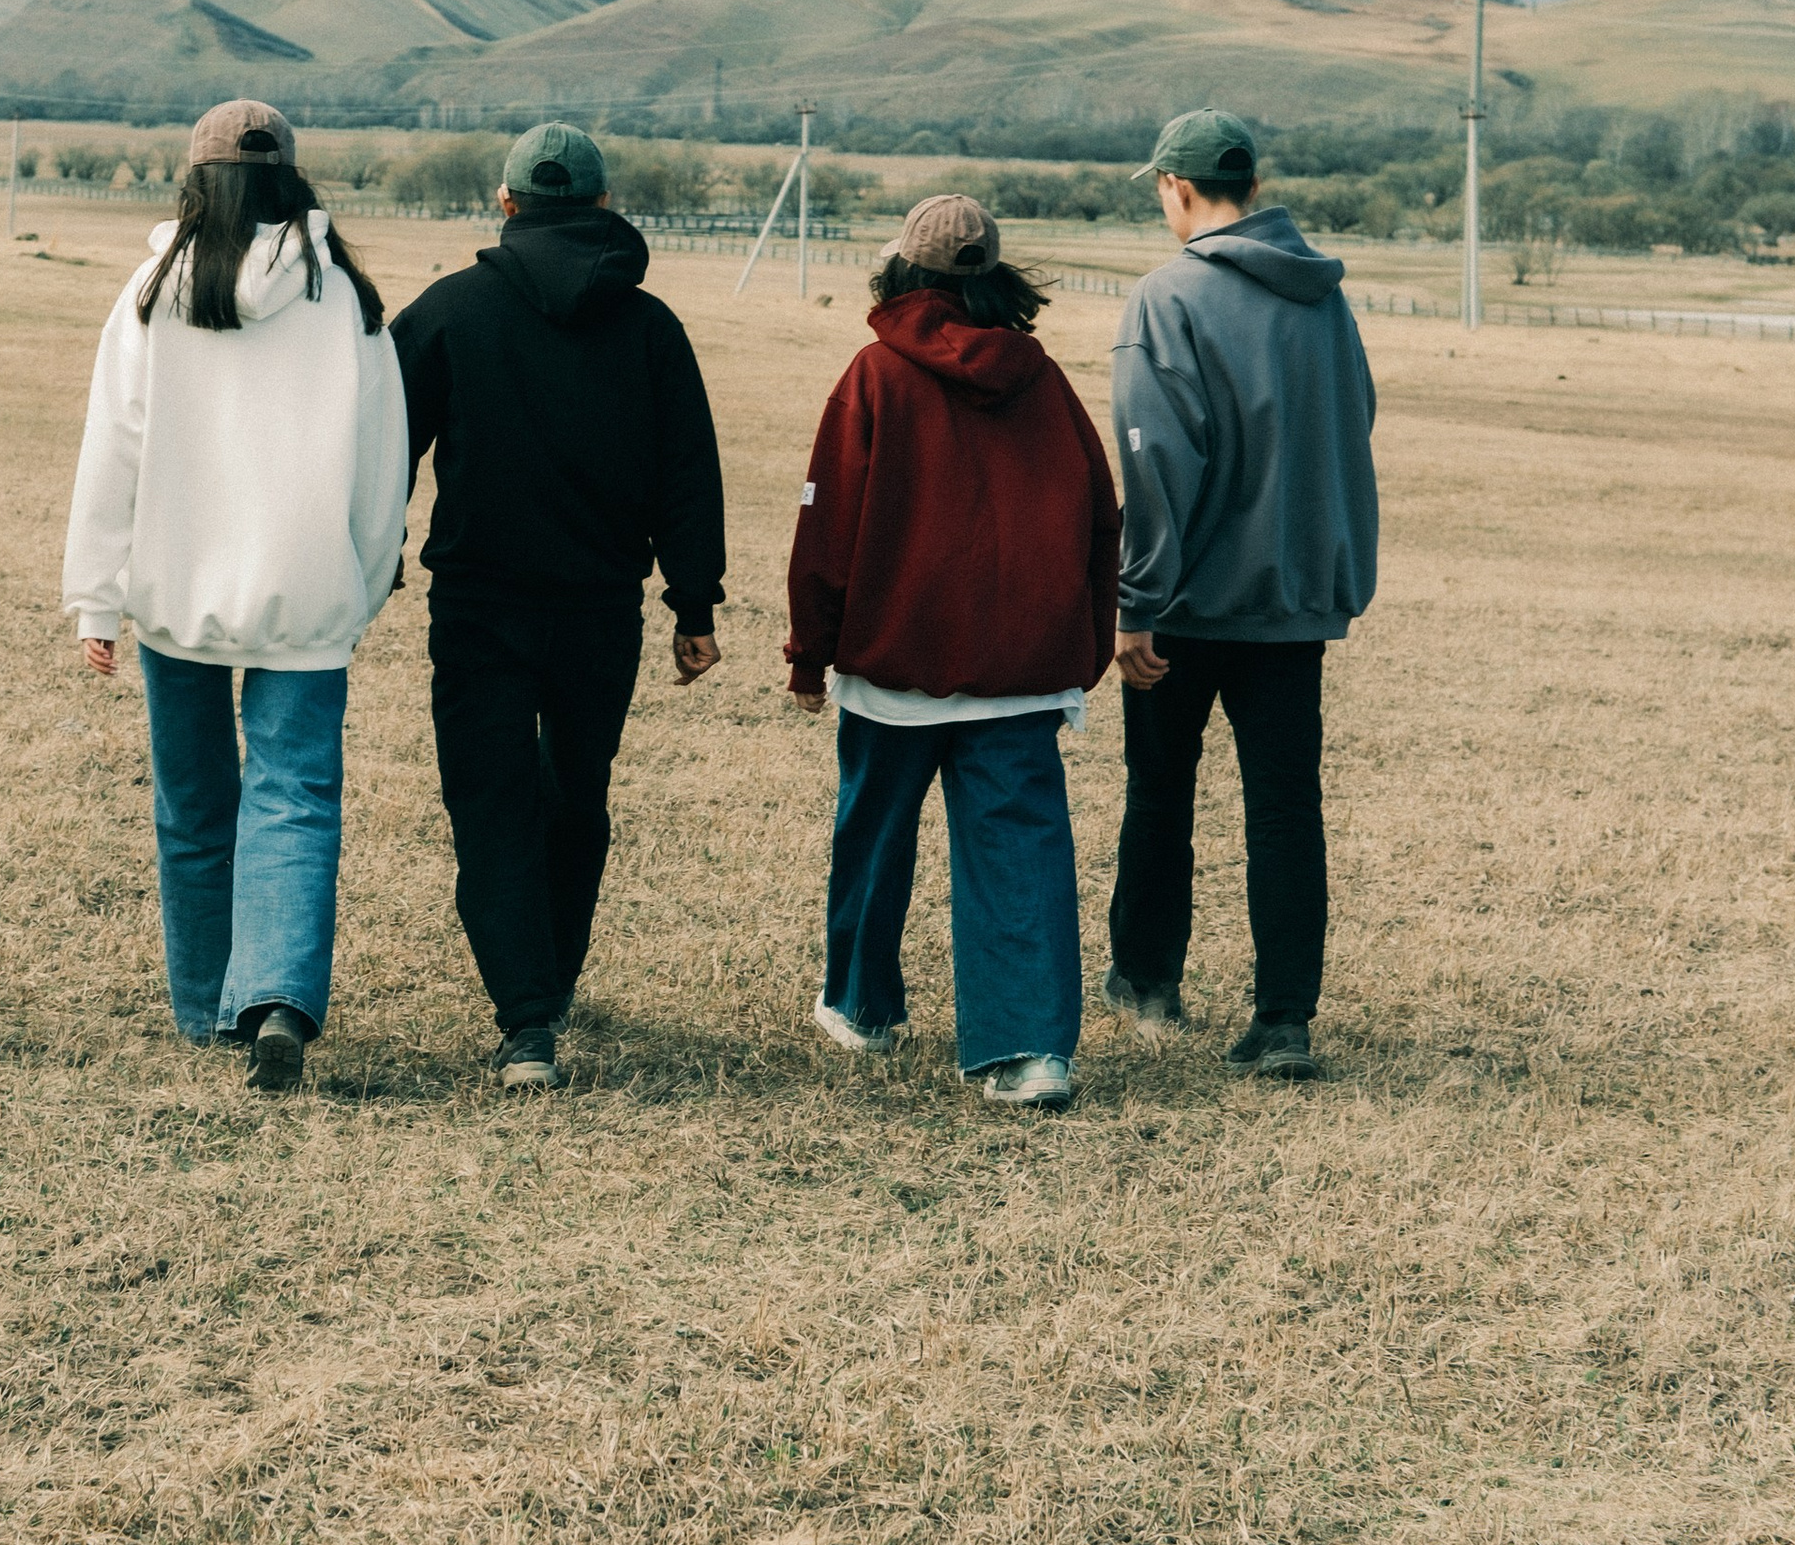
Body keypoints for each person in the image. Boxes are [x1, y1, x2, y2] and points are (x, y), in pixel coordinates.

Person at [62, 99, 406, 1095]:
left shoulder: (152, 292)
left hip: (177, 588)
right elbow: (382, 459)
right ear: (288, 178)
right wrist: (366, 576)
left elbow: (113, 447)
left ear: (193, 178)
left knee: (193, 801)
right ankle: (276, 1000)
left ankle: (204, 998)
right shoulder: (340, 294)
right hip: (309, 590)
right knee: (294, 794)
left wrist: (96, 598)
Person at [390, 119, 725, 1091]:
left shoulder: (449, 311)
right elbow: (687, 473)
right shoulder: (651, 327)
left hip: (478, 607)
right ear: (603, 207)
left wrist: (372, 563)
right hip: (598, 612)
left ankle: (526, 1019)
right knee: (577, 794)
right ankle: (553, 983)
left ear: (504, 205)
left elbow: (381, 451)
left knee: (490, 804)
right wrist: (692, 605)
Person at [784, 194, 1120, 1110]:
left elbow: (828, 527)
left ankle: (860, 1004)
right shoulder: (1044, 382)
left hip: (895, 663)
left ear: (905, 272)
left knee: (874, 834)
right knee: (1022, 851)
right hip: (1020, 672)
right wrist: (1081, 647)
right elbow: (1101, 515)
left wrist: (810, 653)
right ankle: (1030, 1049)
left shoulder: (873, 377)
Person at [1107, 108, 1379, 1080]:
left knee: (1159, 793)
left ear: (1175, 189)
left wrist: (1135, 602)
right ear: (1251, 190)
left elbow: (1152, 462)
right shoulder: (1325, 301)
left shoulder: (1163, 298)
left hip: (1182, 606)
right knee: (1282, 807)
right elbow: (1357, 421)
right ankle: (1283, 1020)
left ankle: (1146, 980)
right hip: (1293, 603)